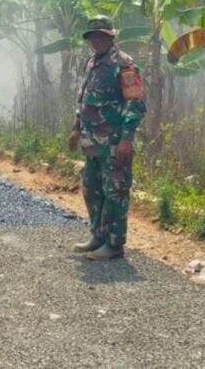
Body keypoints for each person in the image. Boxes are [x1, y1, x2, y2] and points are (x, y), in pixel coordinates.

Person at [68, 16, 146, 261]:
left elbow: (136, 104)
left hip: (114, 143)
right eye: (93, 36)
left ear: (111, 37)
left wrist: (126, 139)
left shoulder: (123, 64)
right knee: (92, 189)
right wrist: (76, 128)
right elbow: (84, 100)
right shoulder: (92, 63)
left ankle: (114, 244)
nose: (96, 40)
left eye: (101, 36)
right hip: (92, 144)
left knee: (115, 192)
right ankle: (98, 236)